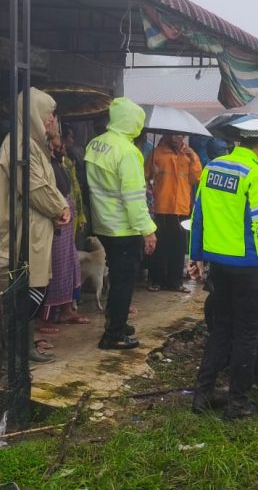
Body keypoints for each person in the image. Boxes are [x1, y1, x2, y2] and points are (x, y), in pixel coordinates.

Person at [189, 114, 258, 419]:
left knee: (221, 330)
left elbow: (198, 214)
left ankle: (202, 396)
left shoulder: (213, 167)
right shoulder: (256, 174)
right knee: (246, 335)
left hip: (219, 266)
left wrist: (196, 257)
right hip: (247, 268)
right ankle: (237, 403)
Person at [0, 89, 71, 362]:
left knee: (30, 287)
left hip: (32, 228)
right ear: (35, 115)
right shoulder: (21, 145)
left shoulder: (27, 143)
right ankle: (13, 349)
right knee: (30, 290)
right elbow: (34, 186)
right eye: (49, 114)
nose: (52, 120)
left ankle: (21, 347)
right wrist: (59, 207)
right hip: (21, 230)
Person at [85, 98, 156, 351]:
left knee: (116, 276)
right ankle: (113, 334)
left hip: (103, 224)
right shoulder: (127, 151)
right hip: (125, 227)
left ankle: (118, 321)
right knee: (124, 280)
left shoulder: (96, 144)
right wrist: (147, 229)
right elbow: (134, 197)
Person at [39, 132, 88, 329]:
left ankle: (67, 310)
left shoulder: (61, 162)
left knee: (70, 264)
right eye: (58, 141)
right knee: (55, 268)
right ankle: (46, 318)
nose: (63, 145)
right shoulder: (43, 163)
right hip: (54, 216)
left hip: (67, 217)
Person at [144, 134, 202, 293]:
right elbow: (145, 175)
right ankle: (156, 280)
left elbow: (197, 177)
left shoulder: (189, 154)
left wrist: (193, 159)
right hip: (161, 206)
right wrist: (153, 173)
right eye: (175, 135)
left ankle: (175, 282)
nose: (178, 138)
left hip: (181, 208)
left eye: (181, 135)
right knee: (159, 246)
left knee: (178, 246)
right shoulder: (157, 153)